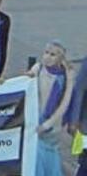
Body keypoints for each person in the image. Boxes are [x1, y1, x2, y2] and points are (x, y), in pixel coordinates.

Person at [28, 41, 75, 176]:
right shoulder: (39, 68)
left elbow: (64, 104)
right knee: (36, 153)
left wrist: (47, 124)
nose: (48, 57)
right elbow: (27, 78)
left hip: (53, 125)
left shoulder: (65, 77)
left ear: (60, 58)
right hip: (36, 119)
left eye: (53, 54)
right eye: (46, 53)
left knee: (48, 153)